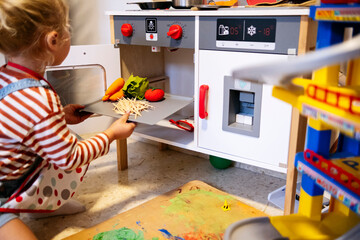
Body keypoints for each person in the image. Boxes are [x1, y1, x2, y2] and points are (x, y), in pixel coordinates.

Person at [0, 0, 136, 239]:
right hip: (4, 191)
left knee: (65, 136)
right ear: (53, 40)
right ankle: (16, 208)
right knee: (73, 146)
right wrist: (111, 134)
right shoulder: (39, 99)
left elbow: (19, 123)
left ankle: (41, 206)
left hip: (8, 172)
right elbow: (70, 157)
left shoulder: (6, 75)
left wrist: (59, 117)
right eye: (68, 28)